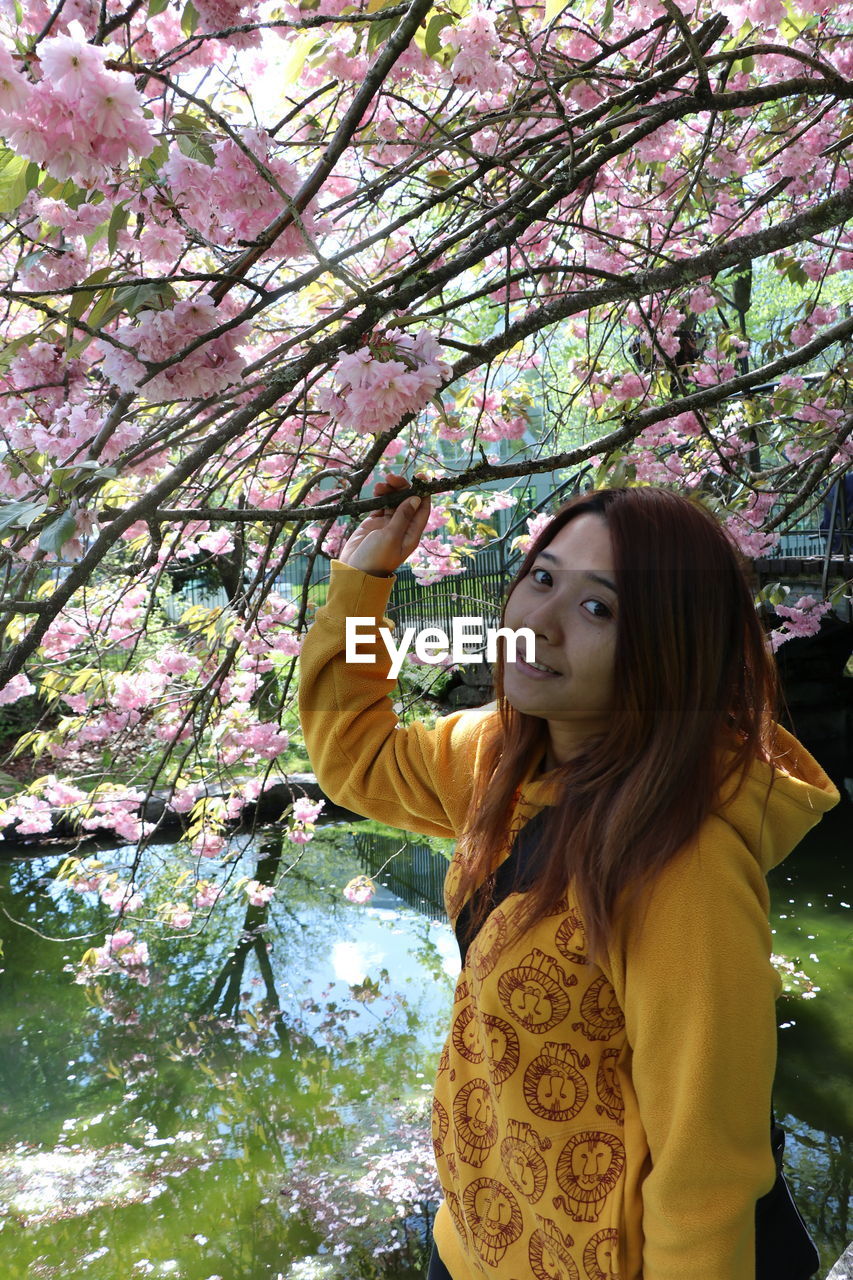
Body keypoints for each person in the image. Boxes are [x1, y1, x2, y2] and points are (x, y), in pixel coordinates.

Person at [298, 476, 839, 1280]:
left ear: (669, 646)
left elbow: (704, 1175)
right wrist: (366, 578)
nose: (539, 625)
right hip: (474, 1237)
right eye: (542, 578)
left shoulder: (684, 871)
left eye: (597, 608)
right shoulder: (499, 754)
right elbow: (356, 758)